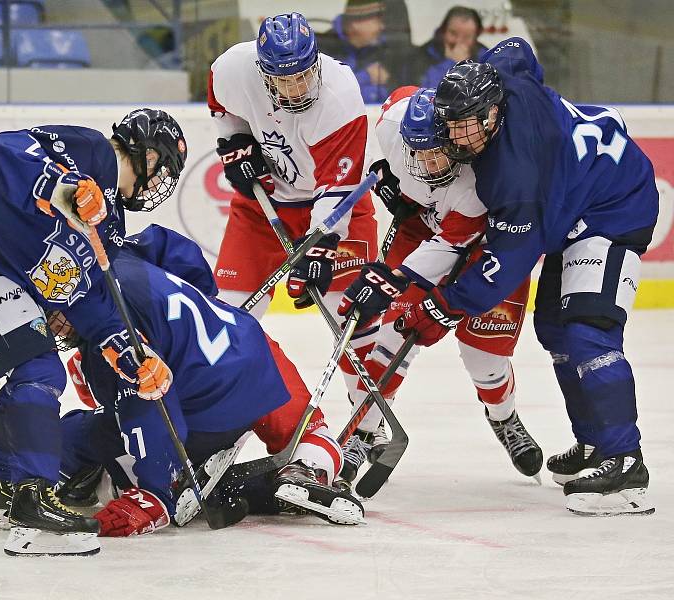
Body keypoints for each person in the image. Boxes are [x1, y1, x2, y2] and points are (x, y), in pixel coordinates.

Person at [0, 108, 188, 555]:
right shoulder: (91, 151)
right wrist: (62, 187)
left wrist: (131, 354)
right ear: (147, 154)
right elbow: (6, 147)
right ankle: (33, 498)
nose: (158, 185)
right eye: (162, 170)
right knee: (38, 369)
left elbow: (92, 299)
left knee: (34, 367)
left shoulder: (111, 226)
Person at [407, 38, 658, 516]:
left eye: (469, 127)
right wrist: (479, 69)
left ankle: (626, 465)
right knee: (556, 331)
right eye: (453, 126)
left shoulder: (512, 175)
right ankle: (594, 446)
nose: (460, 139)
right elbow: (518, 48)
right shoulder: (506, 80)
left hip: (614, 206)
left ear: (493, 113)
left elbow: (504, 266)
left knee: (589, 333)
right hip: (573, 202)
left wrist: (443, 305)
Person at [51, 225, 364, 534]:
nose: (55, 326)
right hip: (247, 341)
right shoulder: (114, 252)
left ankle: (179, 478)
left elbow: (147, 410)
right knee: (304, 428)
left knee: (91, 438)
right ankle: (305, 466)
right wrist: (201, 305)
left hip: (205, 401)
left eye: (55, 313)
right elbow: (174, 248)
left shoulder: (107, 345)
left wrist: (154, 491)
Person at [336, 85, 541, 487]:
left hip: (489, 251)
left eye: (438, 153)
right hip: (420, 229)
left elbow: (451, 244)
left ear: (454, 140)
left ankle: (504, 418)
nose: (429, 164)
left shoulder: (479, 182)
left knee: (484, 358)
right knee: (393, 336)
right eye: (419, 154)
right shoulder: (395, 124)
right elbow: (384, 122)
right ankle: (362, 434)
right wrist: (384, 175)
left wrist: (393, 277)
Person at [207, 13, 380, 432]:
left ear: (315, 62)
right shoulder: (233, 68)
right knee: (227, 318)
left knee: (352, 317)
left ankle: (368, 428)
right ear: (264, 73)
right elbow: (218, 100)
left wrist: (321, 247)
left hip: (339, 208)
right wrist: (235, 143)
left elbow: (337, 189)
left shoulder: (340, 96)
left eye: (302, 76)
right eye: (283, 80)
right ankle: (210, 425)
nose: (295, 88)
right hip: (263, 209)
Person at [315, 0, 414, 104]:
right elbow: (321, 96)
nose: (382, 27)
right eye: (377, 21)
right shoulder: (322, 51)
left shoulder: (385, 50)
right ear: (357, 23)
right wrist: (366, 76)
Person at [416, 6, 487, 89]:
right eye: (453, 33)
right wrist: (451, 63)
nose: (458, 41)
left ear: (475, 37)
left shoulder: (485, 58)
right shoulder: (421, 56)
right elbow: (429, 94)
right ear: (443, 31)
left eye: (467, 36)